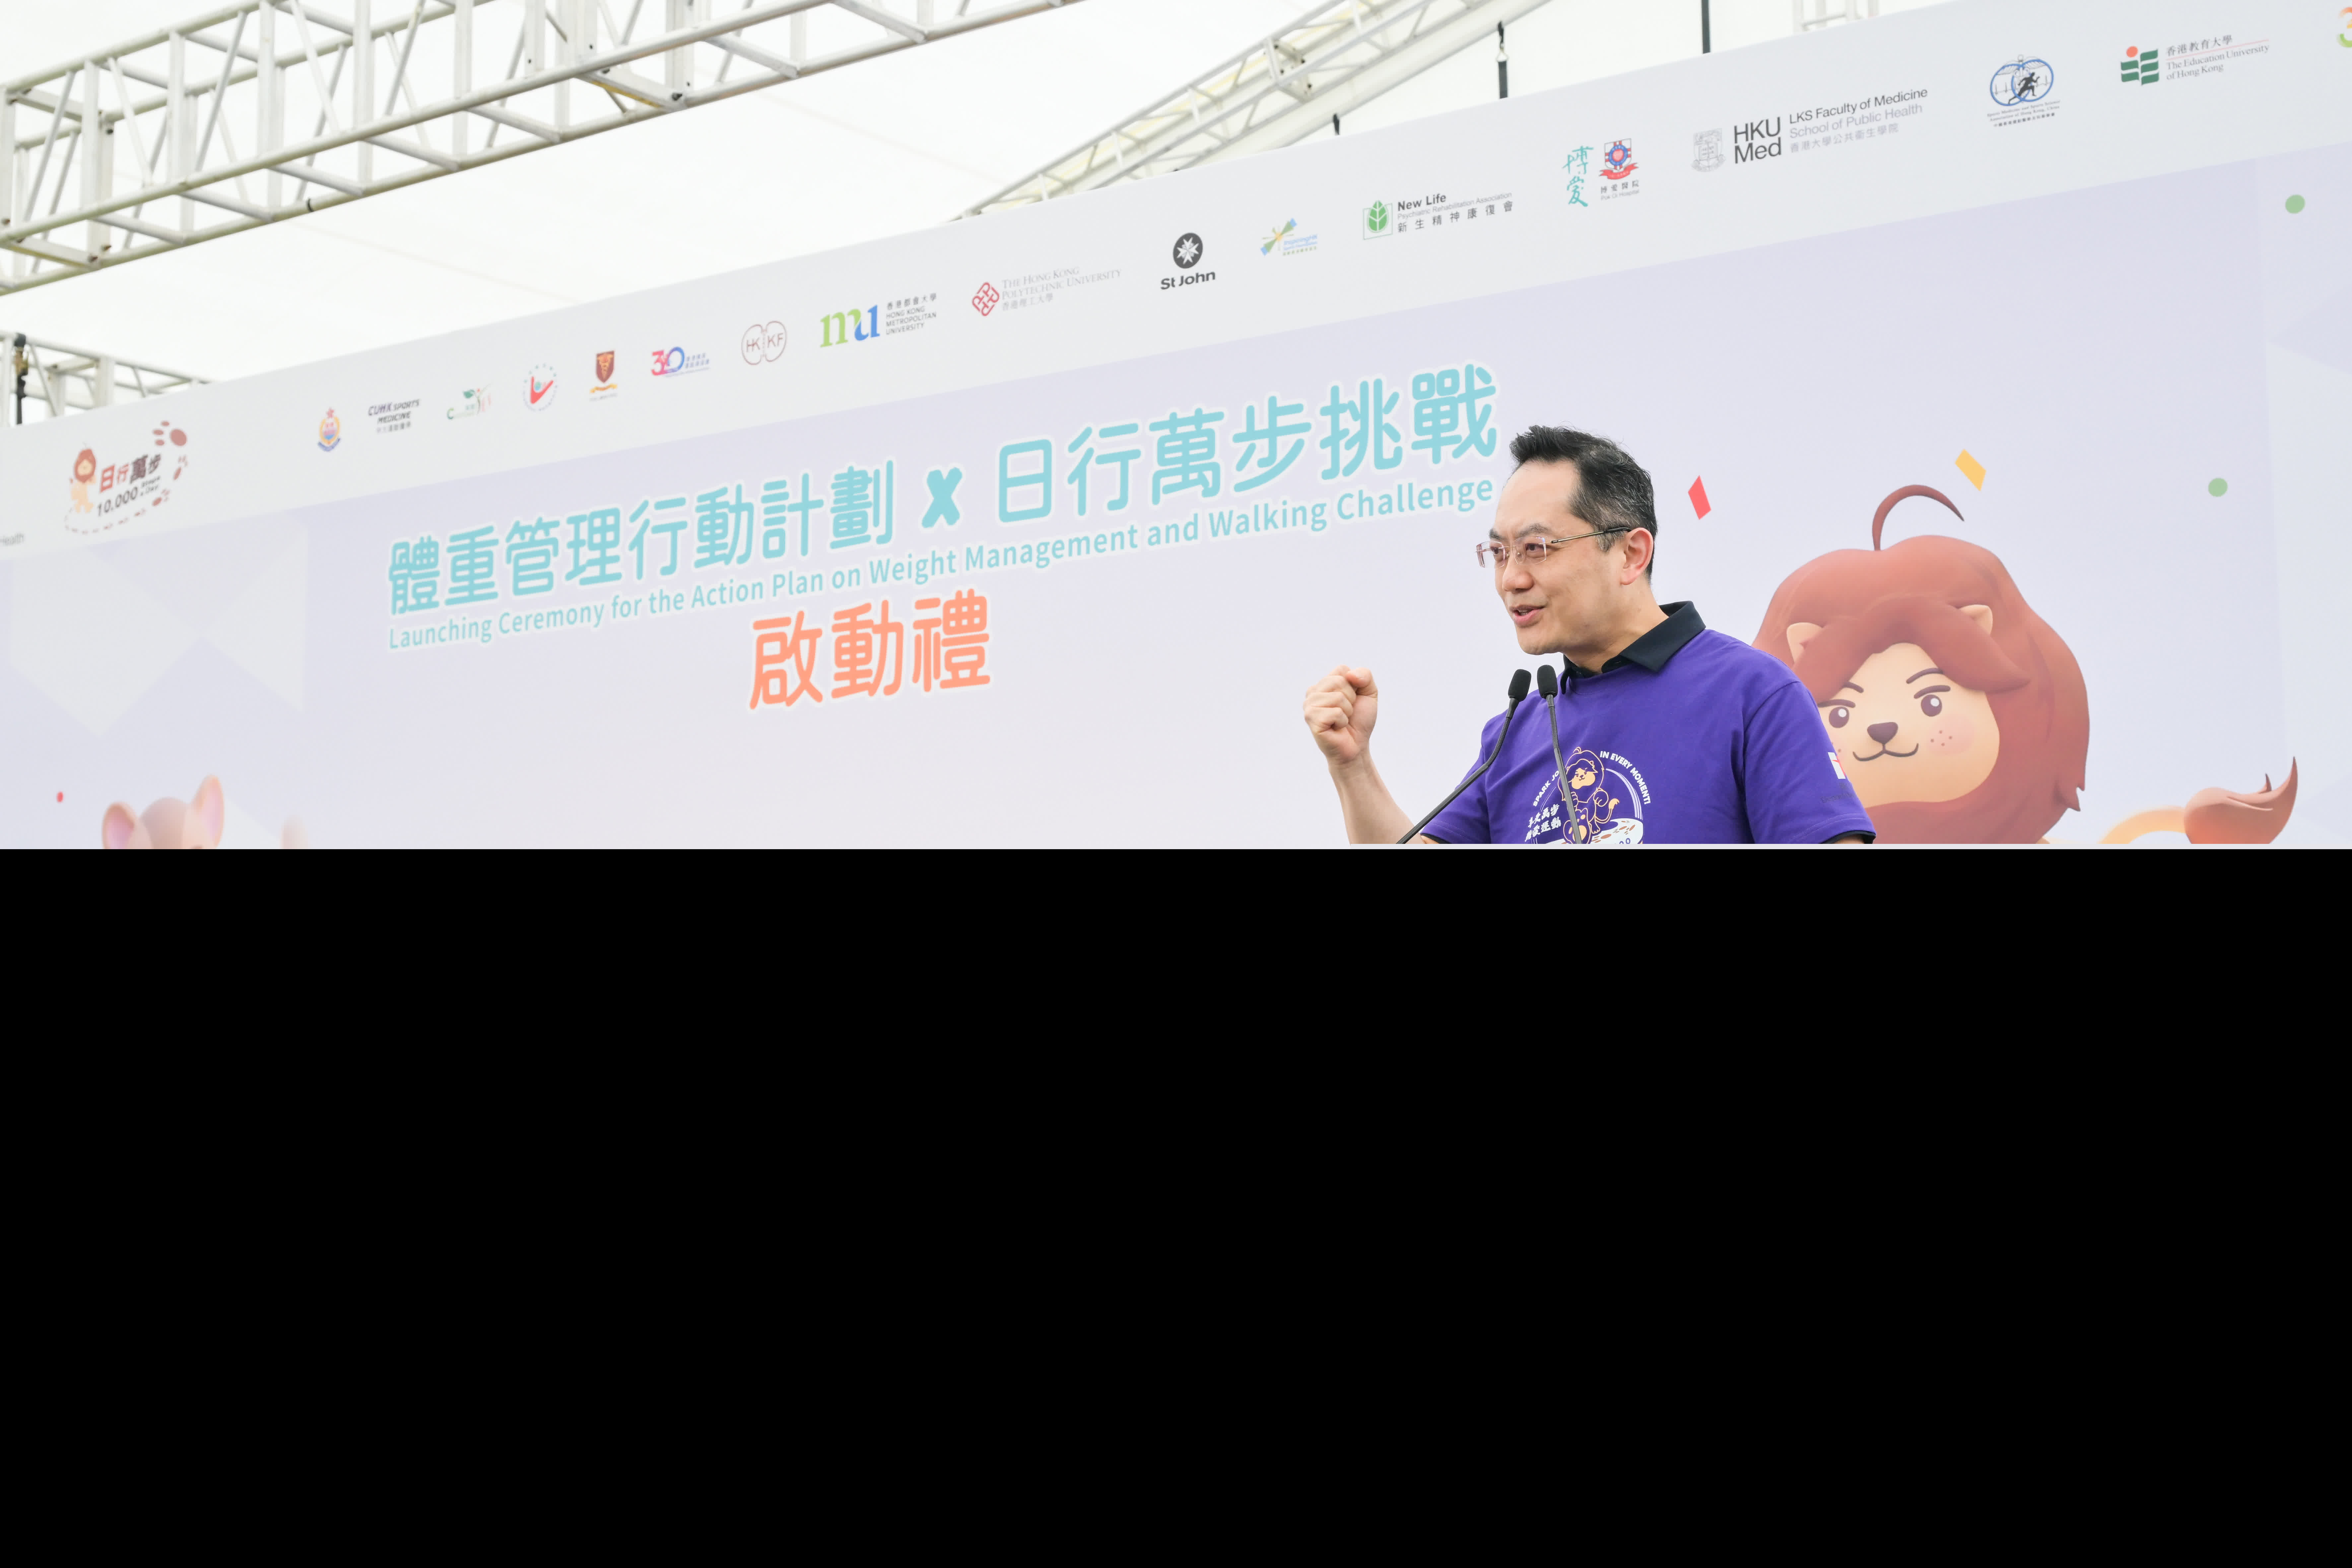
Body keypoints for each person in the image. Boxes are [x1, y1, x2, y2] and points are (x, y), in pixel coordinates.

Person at [1302, 426, 1876, 845]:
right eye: (1499, 552)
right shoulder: (1514, 731)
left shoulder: (1751, 692)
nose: (1510, 578)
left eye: (1536, 548)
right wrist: (1352, 766)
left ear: (1630, 553)